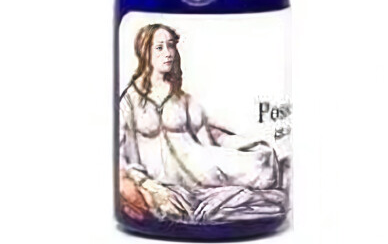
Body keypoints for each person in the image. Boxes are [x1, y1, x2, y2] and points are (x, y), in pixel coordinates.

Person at [119, 24, 288, 223]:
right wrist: (145, 182)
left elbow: (206, 137)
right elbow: (121, 152)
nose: (168, 53)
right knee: (259, 170)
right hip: (174, 176)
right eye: (159, 47)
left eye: (171, 46)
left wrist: (236, 145)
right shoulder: (130, 99)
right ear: (144, 51)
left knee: (260, 162)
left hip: (199, 164)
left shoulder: (181, 97)